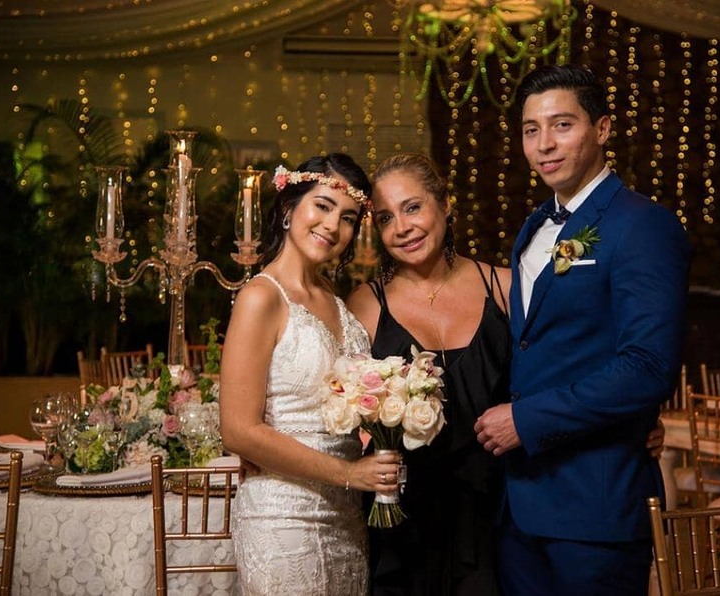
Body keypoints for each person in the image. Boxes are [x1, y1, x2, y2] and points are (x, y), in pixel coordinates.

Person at [346, 152, 667, 595]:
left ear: (445, 204)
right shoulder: (364, 304)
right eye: (385, 218)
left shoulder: (504, 286)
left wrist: (636, 420)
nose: (402, 227)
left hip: (501, 513)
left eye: (413, 207)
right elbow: (339, 403)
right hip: (404, 520)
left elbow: (574, 365)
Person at [474, 64, 690, 595]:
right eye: (531, 130)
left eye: (562, 125)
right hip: (520, 507)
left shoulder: (642, 224)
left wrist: (526, 419)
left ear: (603, 128)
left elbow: (648, 367)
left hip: (596, 507)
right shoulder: (533, 228)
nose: (544, 144)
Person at [219, 153, 402, 595]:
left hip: (345, 517)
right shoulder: (261, 297)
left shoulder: (337, 300)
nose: (332, 226)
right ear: (289, 207)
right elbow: (238, 431)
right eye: (322, 205)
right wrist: (350, 474)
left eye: (348, 217)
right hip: (282, 517)